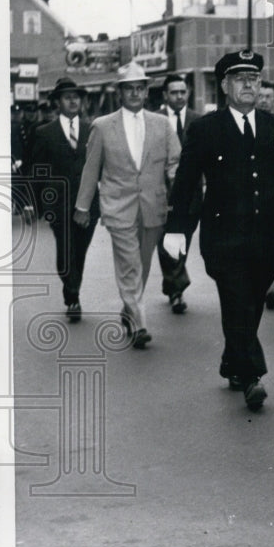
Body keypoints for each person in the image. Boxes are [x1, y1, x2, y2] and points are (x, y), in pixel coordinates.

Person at [162, 50, 274, 412]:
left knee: (251, 303)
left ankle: (233, 361)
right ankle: (252, 377)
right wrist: (176, 228)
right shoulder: (205, 129)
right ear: (226, 86)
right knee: (237, 301)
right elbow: (185, 183)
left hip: (266, 239)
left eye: (255, 78)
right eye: (241, 79)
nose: (250, 85)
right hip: (223, 239)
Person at [74, 62, 181, 349]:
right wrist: (82, 206)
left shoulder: (162, 124)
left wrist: (180, 189)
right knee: (130, 264)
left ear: (147, 92)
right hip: (118, 207)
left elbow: (175, 163)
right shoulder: (102, 126)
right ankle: (139, 323)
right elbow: (91, 168)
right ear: (120, 92)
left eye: (139, 88)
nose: (134, 93)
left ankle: (129, 307)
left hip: (153, 206)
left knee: (142, 266)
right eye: (129, 88)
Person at [27, 78, 99, 322]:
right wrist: (33, 203)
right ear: (57, 102)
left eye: (76, 96)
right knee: (65, 252)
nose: (73, 100)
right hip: (57, 205)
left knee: (80, 251)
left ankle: (73, 290)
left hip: (89, 205)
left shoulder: (93, 130)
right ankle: (72, 297)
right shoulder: (44, 133)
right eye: (67, 97)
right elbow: (37, 169)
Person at [155, 74, 201, 314]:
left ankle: (172, 282)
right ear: (165, 96)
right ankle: (176, 289)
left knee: (183, 240)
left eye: (183, 92)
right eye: (174, 92)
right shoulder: (154, 120)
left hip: (191, 195)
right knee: (165, 241)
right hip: (161, 192)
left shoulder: (198, 120)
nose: (180, 96)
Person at [256, 80, 274, 308]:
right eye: (261, 96)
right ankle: (262, 286)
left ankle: (270, 286)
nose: (264, 100)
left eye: (268, 96)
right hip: (250, 197)